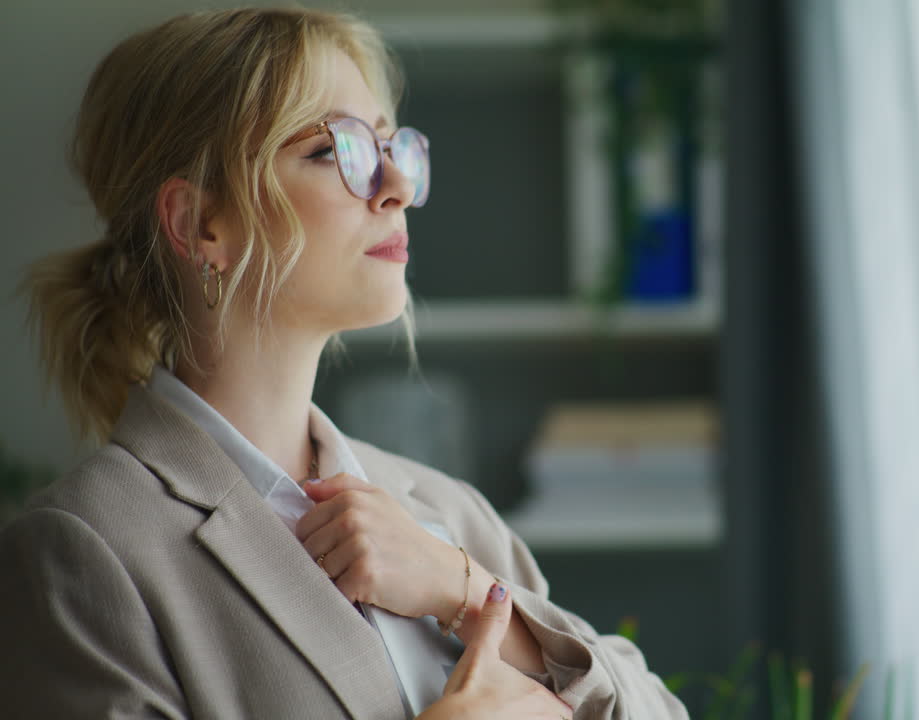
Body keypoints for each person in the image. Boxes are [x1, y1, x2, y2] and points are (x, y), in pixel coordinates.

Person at [1, 7, 688, 720]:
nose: (396, 185)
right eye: (337, 151)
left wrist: (461, 592)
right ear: (201, 224)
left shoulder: (446, 515)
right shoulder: (83, 551)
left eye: (394, 147)